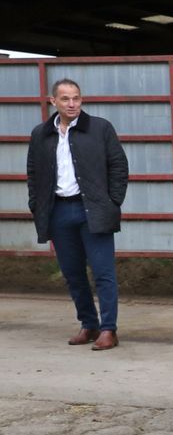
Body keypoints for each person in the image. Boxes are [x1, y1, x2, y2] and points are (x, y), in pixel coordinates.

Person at [26, 78, 129, 351]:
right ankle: (89, 324)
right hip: (59, 210)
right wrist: (37, 205)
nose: (72, 104)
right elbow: (33, 173)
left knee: (103, 272)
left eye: (76, 98)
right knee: (72, 273)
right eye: (65, 99)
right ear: (53, 101)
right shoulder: (41, 134)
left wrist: (112, 201)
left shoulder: (100, 128)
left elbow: (118, 165)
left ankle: (109, 330)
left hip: (93, 209)